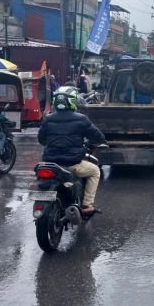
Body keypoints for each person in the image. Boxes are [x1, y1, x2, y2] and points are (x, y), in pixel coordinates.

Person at [38, 88, 106, 217]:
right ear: (72, 101)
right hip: (72, 164)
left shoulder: (48, 118)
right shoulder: (82, 119)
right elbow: (98, 137)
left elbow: (41, 139)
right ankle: (87, 205)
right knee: (95, 171)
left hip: (50, 163)